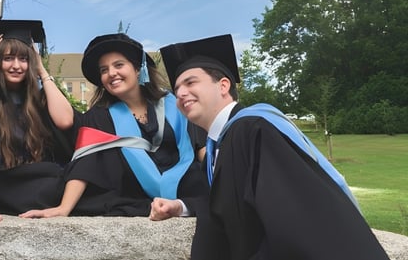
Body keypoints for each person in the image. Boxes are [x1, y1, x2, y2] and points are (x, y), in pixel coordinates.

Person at [159, 34, 390, 260]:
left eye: (190, 82)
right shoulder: (218, 147)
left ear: (223, 86)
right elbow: (229, 206)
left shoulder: (253, 130)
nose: (180, 93)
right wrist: (182, 206)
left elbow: (295, 217)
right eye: (177, 87)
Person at [20, 33, 209, 219]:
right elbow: (85, 158)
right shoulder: (101, 116)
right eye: (104, 70)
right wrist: (64, 208)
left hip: (187, 191)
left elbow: (201, 146)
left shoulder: (173, 104)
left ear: (137, 69)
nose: (111, 73)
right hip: (136, 200)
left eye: (119, 65)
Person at [0, 19, 74, 222]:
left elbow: (66, 121)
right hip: (5, 187)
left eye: (24, 59)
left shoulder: (41, 101)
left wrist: (42, 70)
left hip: (42, 182)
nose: (16, 65)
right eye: (7, 58)